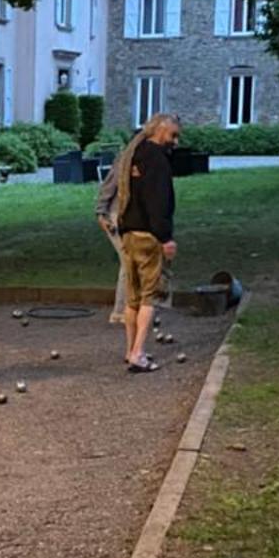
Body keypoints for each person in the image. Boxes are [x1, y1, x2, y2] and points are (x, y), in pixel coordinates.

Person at [112, 112, 179, 372]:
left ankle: (130, 349)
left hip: (127, 232)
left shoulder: (133, 153)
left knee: (132, 298)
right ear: (159, 131)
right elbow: (157, 201)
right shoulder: (157, 159)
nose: (175, 141)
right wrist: (165, 237)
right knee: (150, 297)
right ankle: (138, 353)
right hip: (148, 236)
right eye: (173, 135)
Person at [94, 162, 129, 327]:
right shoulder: (126, 159)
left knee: (132, 262)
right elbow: (108, 186)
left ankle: (128, 309)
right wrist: (102, 214)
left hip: (132, 218)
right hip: (115, 216)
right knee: (128, 261)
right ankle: (121, 311)